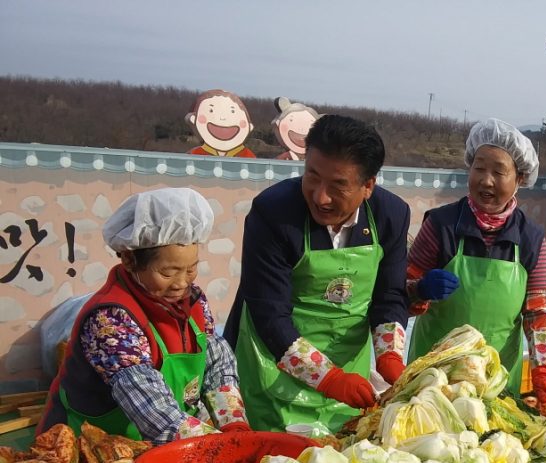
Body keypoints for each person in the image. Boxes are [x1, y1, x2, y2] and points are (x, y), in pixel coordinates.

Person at [224, 114, 410, 432]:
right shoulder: (273, 214)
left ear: (368, 186)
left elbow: (389, 295)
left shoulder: (390, 216)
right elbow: (270, 315)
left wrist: (389, 357)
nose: (320, 196)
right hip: (272, 371)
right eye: (312, 175)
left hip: (348, 375)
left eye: (338, 185)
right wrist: (329, 378)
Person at [40, 188, 250, 443]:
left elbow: (215, 357)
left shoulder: (192, 300)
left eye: (191, 269)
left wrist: (233, 423)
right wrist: (219, 445)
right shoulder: (111, 319)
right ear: (129, 260)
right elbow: (150, 406)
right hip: (92, 446)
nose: (181, 283)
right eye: (168, 272)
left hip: (155, 441)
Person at [406, 118, 546, 419]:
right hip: (433, 381)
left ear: (520, 178)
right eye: (479, 168)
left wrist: (544, 372)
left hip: (495, 381)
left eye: (498, 171)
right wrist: (420, 289)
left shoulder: (531, 239)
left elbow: (540, 313)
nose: (486, 180)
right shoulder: (440, 226)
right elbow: (401, 290)